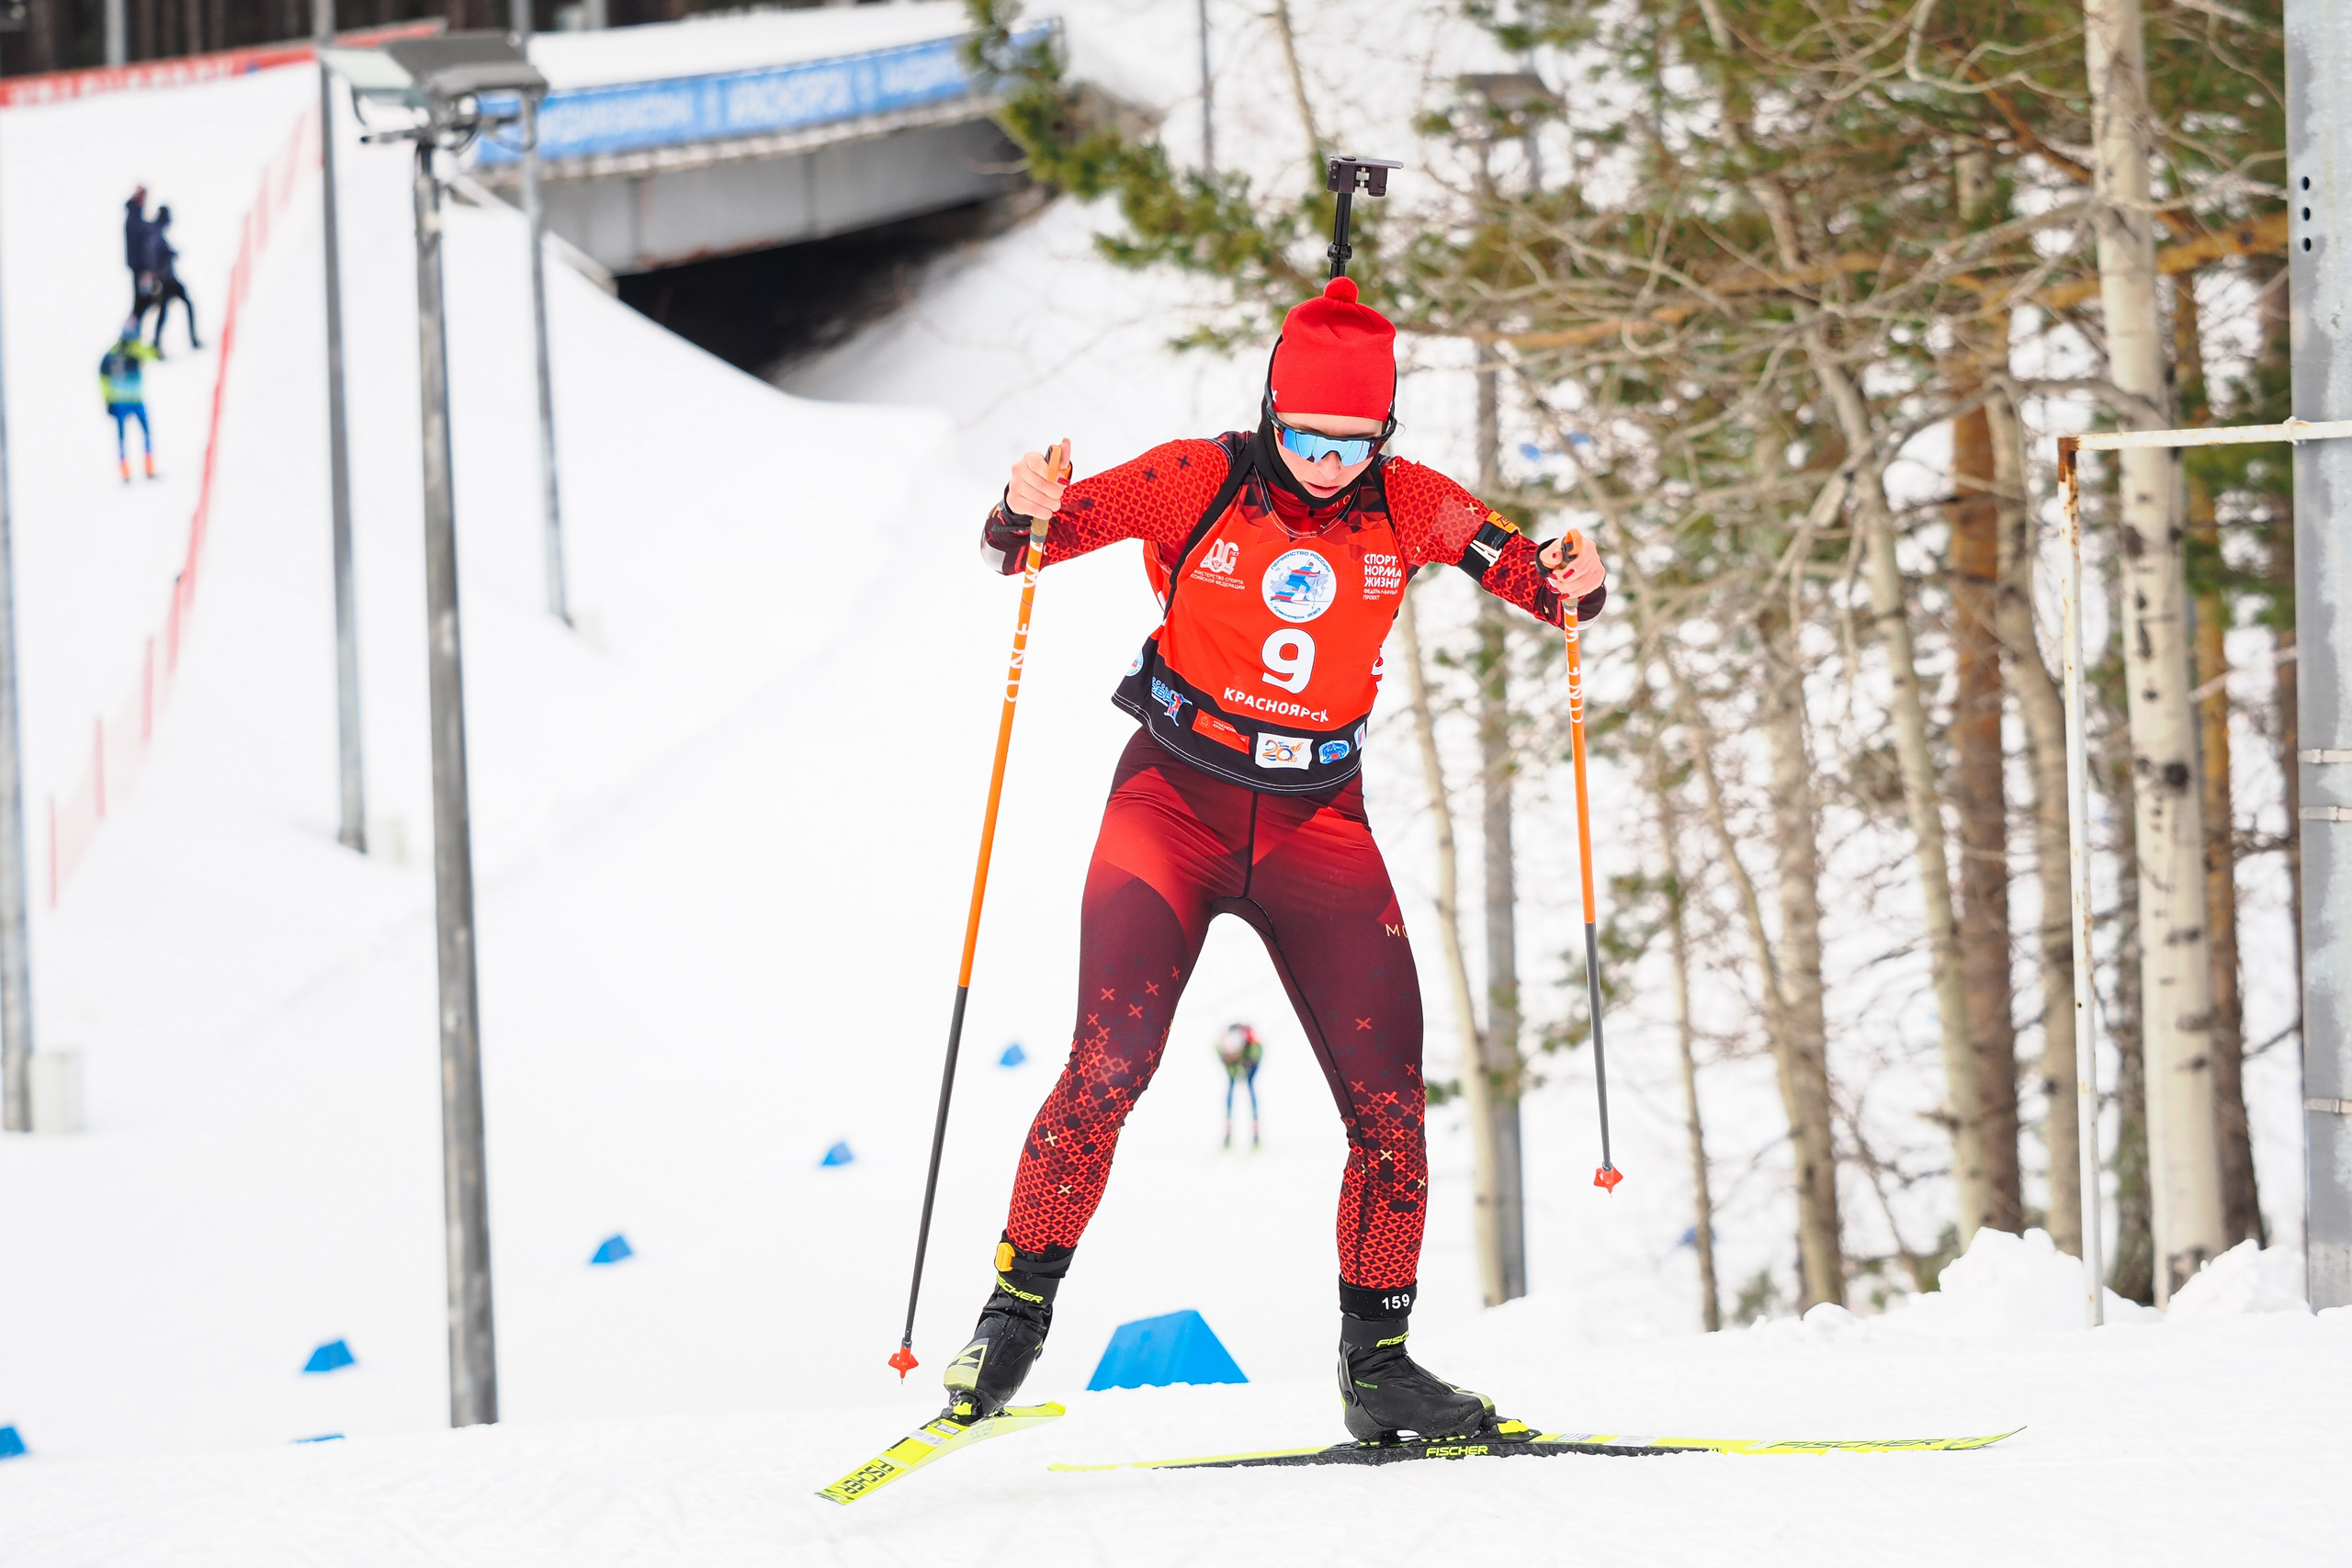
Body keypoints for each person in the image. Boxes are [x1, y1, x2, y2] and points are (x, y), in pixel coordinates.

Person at [939, 275, 1607, 1445]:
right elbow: (1027, 544)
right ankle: (1011, 1318)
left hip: (1318, 824)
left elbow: (1538, 587)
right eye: (1305, 438)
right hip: (1173, 805)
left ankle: (1378, 1366)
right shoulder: (1194, 477)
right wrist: (1020, 501)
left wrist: (1573, 581)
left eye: (1354, 443)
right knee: (1108, 1068)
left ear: (1384, 433)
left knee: (1391, 1109)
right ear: (1269, 411)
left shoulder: (1412, 502)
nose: (1328, 465)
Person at [100, 320, 158, 483]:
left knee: (136, 435)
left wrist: (108, 399)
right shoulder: (121, 352)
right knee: (127, 436)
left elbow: (153, 354)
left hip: (130, 399)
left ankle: (144, 469)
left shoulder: (122, 351)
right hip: (126, 400)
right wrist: (108, 400)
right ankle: (128, 471)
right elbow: (103, 377)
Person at [147, 206, 200, 356]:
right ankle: (157, 344)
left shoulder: (157, 233)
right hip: (166, 281)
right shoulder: (156, 234)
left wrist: (171, 254)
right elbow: (156, 259)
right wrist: (170, 256)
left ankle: (158, 343)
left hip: (168, 279)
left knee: (169, 310)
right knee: (168, 311)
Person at [1216, 1022, 1264, 1148]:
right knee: (1230, 1089)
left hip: (1251, 1060)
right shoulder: (1221, 1048)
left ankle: (1256, 1135)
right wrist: (1232, 1066)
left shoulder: (1253, 1046)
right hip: (1235, 1060)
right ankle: (1227, 1135)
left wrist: (1248, 1063)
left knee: (1250, 1086)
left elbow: (1257, 1054)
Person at [124, 186, 157, 322]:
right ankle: (129, 330)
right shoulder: (134, 218)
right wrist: (145, 269)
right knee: (142, 300)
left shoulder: (136, 216)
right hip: (140, 268)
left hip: (140, 267)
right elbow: (139, 247)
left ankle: (132, 329)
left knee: (144, 300)